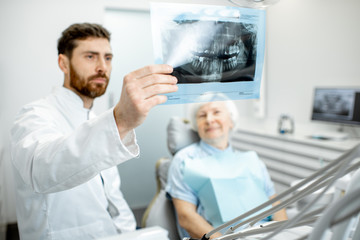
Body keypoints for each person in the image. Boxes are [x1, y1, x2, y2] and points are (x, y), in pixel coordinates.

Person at [10, 23, 178, 240]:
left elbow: (112, 196)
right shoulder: (34, 115)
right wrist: (119, 120)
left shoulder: (96, 119)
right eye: (90, 56)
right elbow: (41, 169)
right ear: (64, 63)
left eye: (108, 58)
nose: (102, 67)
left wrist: (130, 234)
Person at [166, 93, 287, 239]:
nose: (210, 120)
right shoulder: (185, 160)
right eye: (202, 115)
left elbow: (276, 205)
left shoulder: (252, 160)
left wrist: (284, 234)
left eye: (216, 112)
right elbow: (186, 217)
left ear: (231, 120)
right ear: (196, 125)